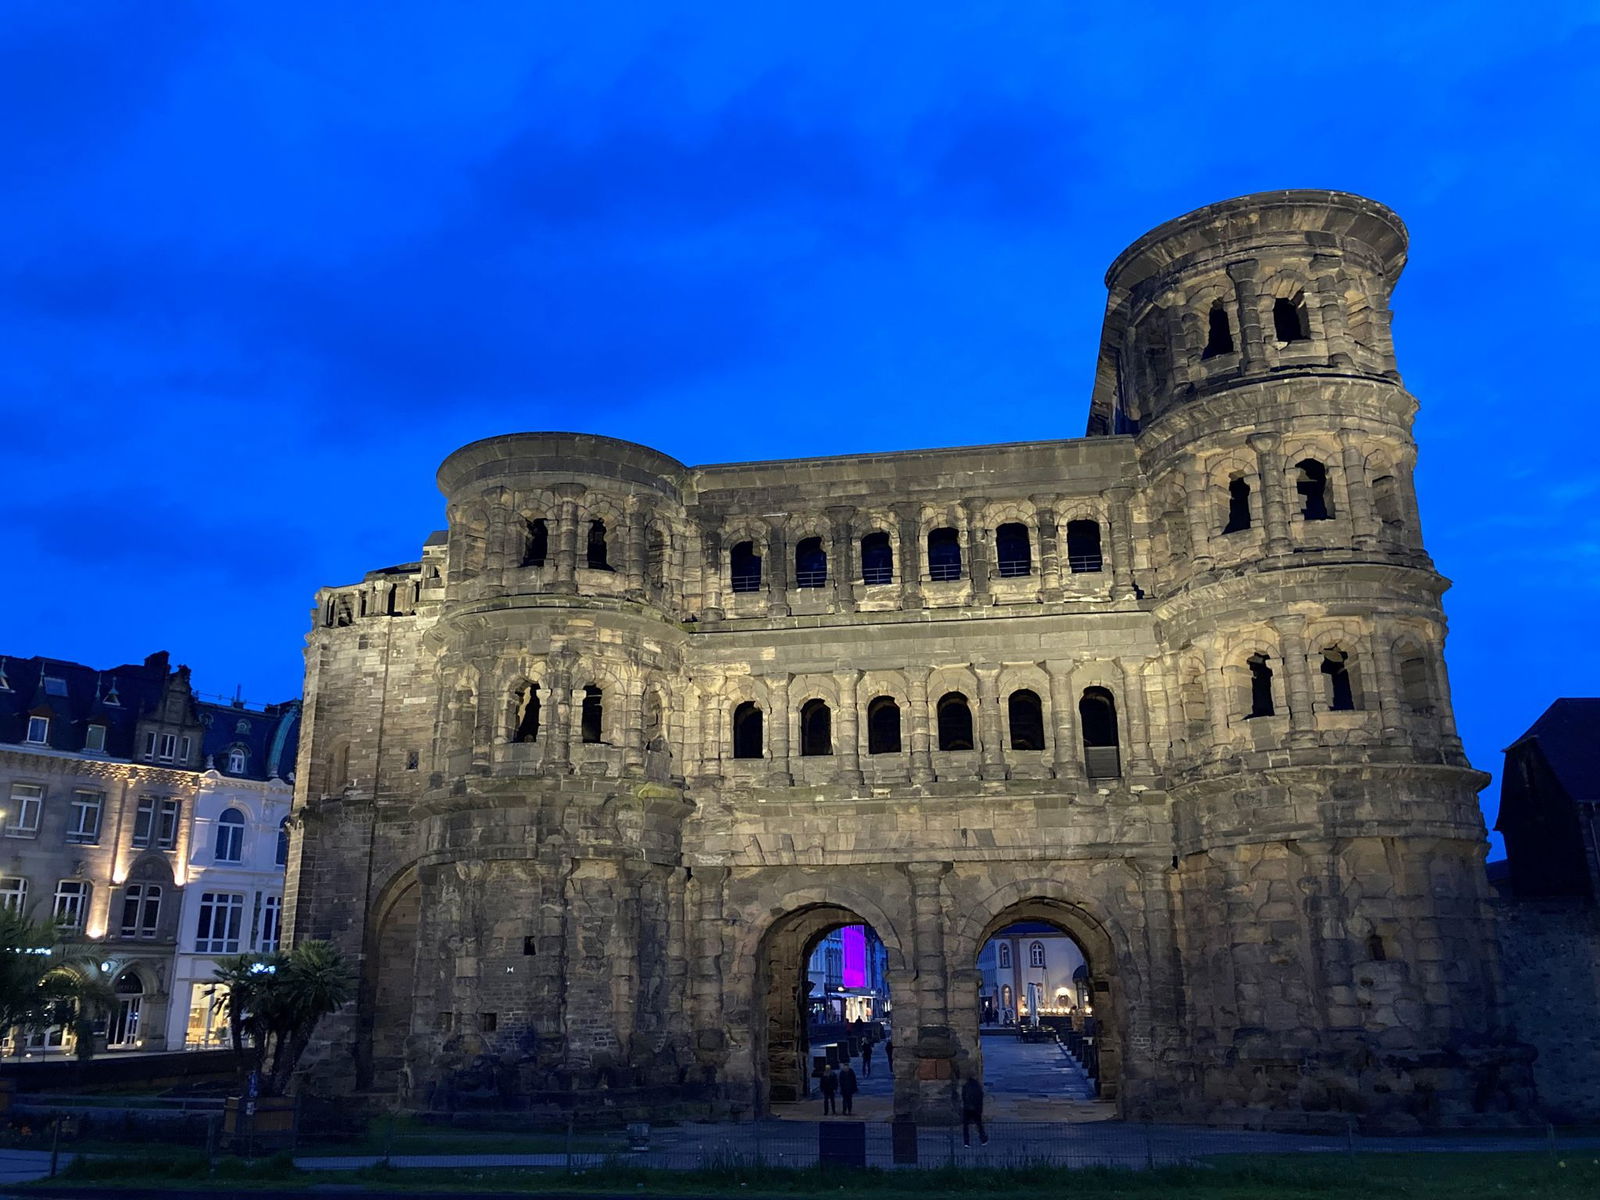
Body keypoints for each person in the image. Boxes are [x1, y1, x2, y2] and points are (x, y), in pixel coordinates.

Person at [961, 1074, 988, 1146]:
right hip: (976, 1108)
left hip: (967, 1108)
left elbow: (963, 1097)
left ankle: (966, 1142)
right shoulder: (978, 1087)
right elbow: (980, 1099)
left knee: (965, 1126)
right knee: (979, 1125)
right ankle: (983, 1140)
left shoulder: (965, 1086)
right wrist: (980, 1110)